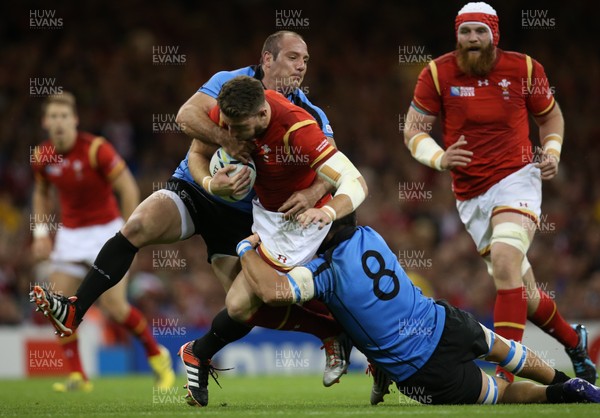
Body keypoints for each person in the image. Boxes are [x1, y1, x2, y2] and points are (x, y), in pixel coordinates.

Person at [30, 31, 349, 400]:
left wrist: (311, 194)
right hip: (196, 188)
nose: (301, 67)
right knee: (138, 224)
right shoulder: (230, 85)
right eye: (293, 57)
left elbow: (333, 169)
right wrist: (225, 145)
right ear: (266, 59)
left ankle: (200, 354)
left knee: (244, 308)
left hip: (242, 221)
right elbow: (186, 116)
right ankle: (74, 310)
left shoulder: (308, 114)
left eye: (305, 61)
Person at [402, 2, 596, 383]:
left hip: (518, 178)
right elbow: (413, 129)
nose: (472, 39)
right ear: (456, 35)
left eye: (480, 32)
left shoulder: (524, 68)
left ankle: (505, 374)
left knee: (506, 263)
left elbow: (550, 116)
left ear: (495, 35)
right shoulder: (437, 73)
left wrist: (552, 151)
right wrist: (440, 158)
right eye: (465, 32)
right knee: (523, 291)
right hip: (471, 193)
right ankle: (575, 342)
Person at [237, 212, 600, 405]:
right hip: (444, 321)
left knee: (502, 393)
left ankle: (559, 394)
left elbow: (273, 293)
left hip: (421, 370)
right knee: (508, 352)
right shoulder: (371, 235)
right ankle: (572, 384)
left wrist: (246, 249)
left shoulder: (324, 272)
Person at [179, 75, 368, 407]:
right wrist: (210, 184)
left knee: (340, 296)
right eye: (227, 126)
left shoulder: (296, 126)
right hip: (270, 220)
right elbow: (197, 152)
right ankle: (331, 333)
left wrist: (327, 209)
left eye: (238, 129)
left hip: (314, 217)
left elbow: (354, 180)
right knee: (239, 305)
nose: (231, 136)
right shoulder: (230, 113)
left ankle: (388, 355)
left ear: (262, 115)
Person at [30, 92, 175, 391]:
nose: (58, 123)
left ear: (74, 120)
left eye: (64, 117)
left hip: (105, 233)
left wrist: (126, 237)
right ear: (45, 122)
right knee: (55, 303)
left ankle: (156, 355)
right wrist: (41, 232)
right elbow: (42, 192)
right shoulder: (42, 156)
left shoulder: (97, 150)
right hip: (70, 236)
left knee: (116, 308)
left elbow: (128, 188)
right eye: (53, 117)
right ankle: (78, 376)